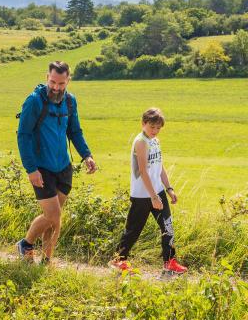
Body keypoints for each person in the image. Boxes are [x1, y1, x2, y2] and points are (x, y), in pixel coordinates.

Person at [15, 61, 97, 264]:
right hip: (41, 167)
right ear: (47, 78)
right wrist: (31, 169)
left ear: (68, 80)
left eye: (61, 83)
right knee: (54, 214)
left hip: (64, 166)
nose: (56, 87)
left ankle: (46, 260)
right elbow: (23, 135)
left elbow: (74, 130)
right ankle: (25, 243)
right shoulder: (34, 101)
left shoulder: (70, 101)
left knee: (55, 219)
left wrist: (86, 155)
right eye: (53, 82)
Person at [110, 108, 187, 275]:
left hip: (157, 191)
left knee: (168, 227)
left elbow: (160, 167)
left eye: (159, 128)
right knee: (133, 230)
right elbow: (143, 171)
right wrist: (153, 197)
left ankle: (170, 262)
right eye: (152, 127)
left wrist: (169, 189)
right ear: (143, 124)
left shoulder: (156, 141)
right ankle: (119, 260)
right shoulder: (141, 142)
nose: (155, 130)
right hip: (142, 195)